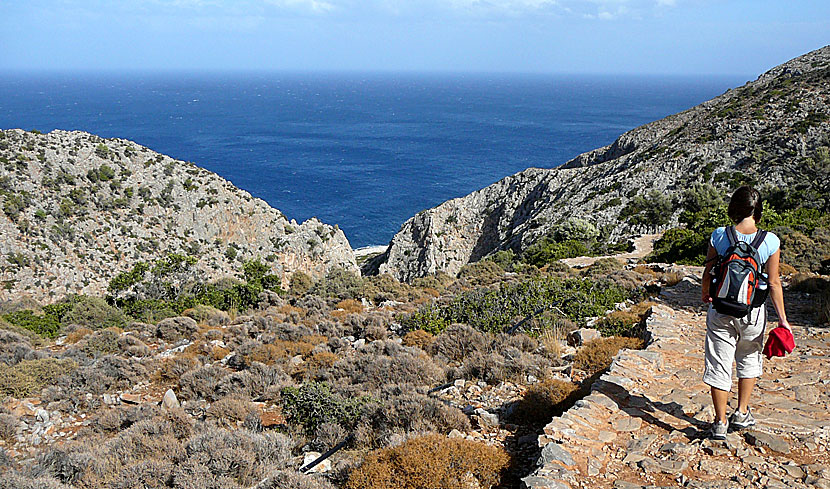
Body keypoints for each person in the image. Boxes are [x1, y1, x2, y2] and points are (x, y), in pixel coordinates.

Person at [700, 185, 790, 440]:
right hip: (753, 311)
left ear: (733, 209)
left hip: (720, 309)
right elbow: (773, 283)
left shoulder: (720, 235)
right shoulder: (770, 241)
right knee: (748, 359)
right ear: (758, 212)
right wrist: (783, 320)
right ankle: (741, 413)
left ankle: (719, 422)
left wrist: (706, 293)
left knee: (719, 361)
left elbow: (708, 272)